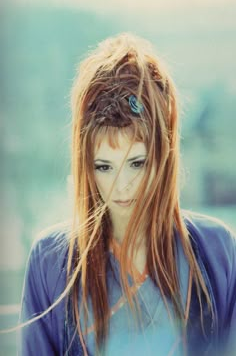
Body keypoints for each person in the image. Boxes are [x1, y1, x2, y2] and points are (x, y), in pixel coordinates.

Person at [18, 33, 236, 356]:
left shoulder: (217, 252)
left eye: (137, 162)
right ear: (85, 166)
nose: (122, 187)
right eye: (104, 167)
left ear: (163, 156)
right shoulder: (50, 264)